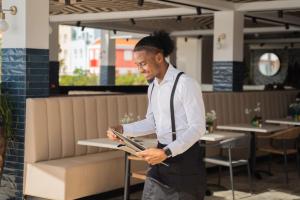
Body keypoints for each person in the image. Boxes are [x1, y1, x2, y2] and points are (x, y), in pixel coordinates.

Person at [107, 30, 206, 200]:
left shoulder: (186, 84)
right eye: (137, 65)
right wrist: (123, 129)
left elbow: (198, 128)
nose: (139, 69)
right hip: (159, 156)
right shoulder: (152, 87)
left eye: (143, 64)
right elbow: (152, 122)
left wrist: (167, 152)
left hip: (185, 160)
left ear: (159, 58)